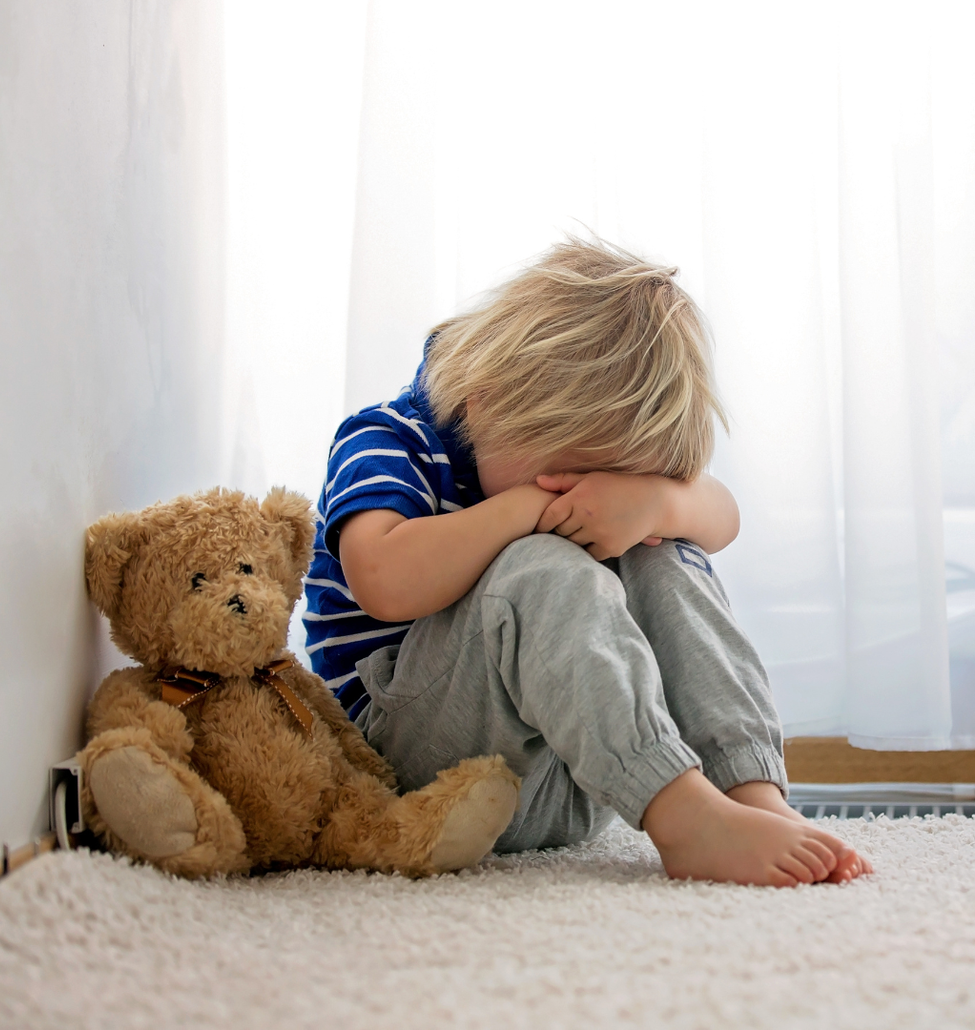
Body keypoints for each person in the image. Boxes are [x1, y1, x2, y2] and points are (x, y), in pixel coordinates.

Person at [304, 238, 871, 886]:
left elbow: (725, 519)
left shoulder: (561, 460)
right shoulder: (387, 439)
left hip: (572, 777)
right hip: (411, 770)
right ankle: (682, 818)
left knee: (664, 551)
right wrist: (522, 509)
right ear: (488, 399)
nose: (581, 494)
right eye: (567, 473)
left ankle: (747, 793)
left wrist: (652, 503)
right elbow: (382, 579)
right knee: (536, 567)